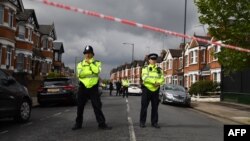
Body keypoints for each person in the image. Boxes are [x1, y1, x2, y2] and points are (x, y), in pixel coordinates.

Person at [72, 45, 112, 130]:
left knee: (97, 106)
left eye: (89, 53)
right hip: (83, 86)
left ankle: (102, 124)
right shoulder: (80, 64)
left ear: (92, 54)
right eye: (86, 53)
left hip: (93, 87)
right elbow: (79, 74)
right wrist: (90, 71)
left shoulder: (97, 63)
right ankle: (78, 124)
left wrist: (90, 64)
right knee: (80, 106)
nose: (87, 55)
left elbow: (97, 71)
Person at [139, 53, 164, 129]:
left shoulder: (159, 70)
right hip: (147, 89)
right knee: (144, 107)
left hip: (156, 90)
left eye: (154, 59)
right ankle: (142, 122)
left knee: (155, 108)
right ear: (149, 60)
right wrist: (154, 82)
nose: (153, 60)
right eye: (152, 59)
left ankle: (154, 122)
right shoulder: (145, 69)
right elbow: (145, 78)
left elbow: (162, 78)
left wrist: (159, 83)